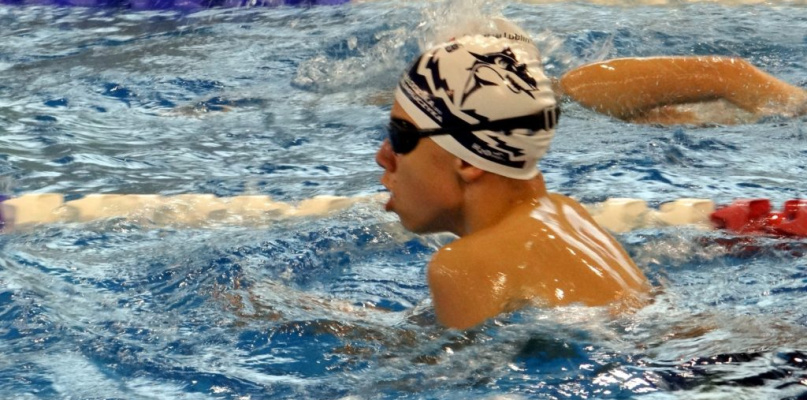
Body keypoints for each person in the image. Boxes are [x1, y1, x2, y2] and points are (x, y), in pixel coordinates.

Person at [375, 20, 650, 330]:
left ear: (468, 159)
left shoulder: (461, 264)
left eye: (400, 137)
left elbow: (461, 358)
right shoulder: (568, 213)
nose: (382, 156)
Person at [558, 56, 807, 125]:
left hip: (568, 100)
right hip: (575, 94)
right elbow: (728, 76)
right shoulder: (582, 86)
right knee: (729, 76)